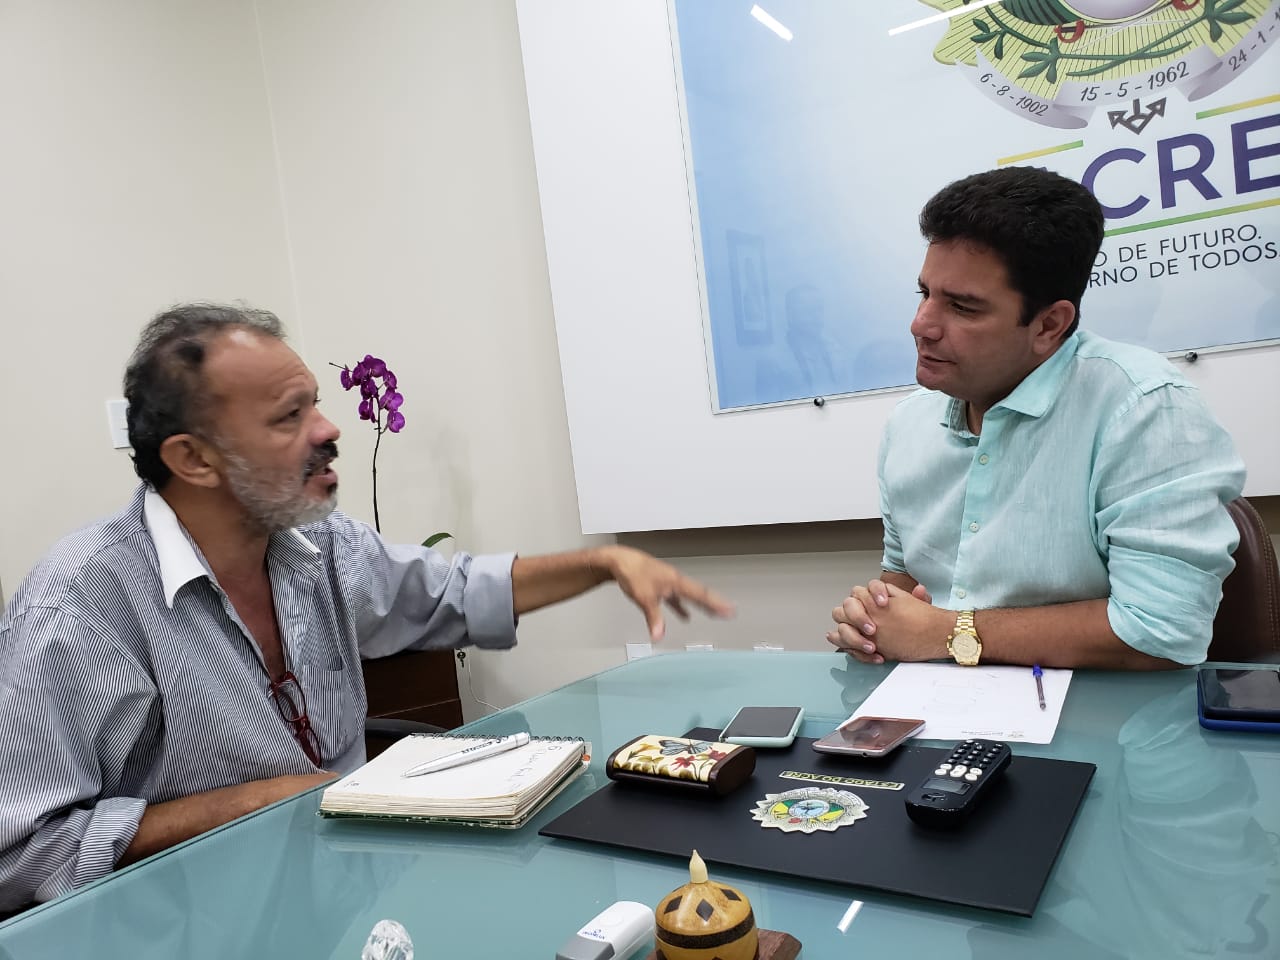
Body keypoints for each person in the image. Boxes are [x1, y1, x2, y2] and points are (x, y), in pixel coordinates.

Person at [0, 303, 733, 908]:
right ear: (194, 459)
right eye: (289, 416)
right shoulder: (78, 606)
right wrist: (258, 802)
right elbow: (24, 855)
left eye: (315, 403)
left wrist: (604, 564)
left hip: (342, 902)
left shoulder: (320, 543)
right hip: (198, 922)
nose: (328, 429)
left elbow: (456, 592)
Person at [827, 166, 1244, 670]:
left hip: (1102, 714)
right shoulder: (908, 424)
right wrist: (871, 624)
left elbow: (1163, 629)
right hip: (938, 704)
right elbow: (902, 579)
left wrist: (949, 632)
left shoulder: (1145, 407)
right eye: (925, 294)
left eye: (962, 307)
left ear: (1049, 324)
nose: (921, 325)